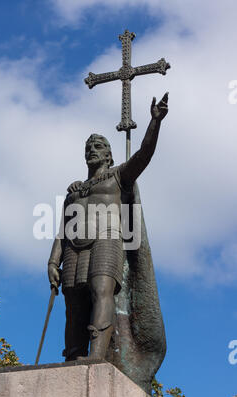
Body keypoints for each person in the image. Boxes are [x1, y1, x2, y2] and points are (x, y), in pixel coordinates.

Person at [48, 93, 169, 361]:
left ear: (109, 155)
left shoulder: (118, 176)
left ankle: (97, 355)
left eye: (99, 146)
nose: (92, 150)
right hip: (74, 246)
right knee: (74, 303)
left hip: (107, 239)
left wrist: (155, 123)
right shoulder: (75, 190)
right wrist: (52, 260)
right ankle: (74, 355)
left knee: (101, 291)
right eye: (89, 147)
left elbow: (144, 155)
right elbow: (62, 228)